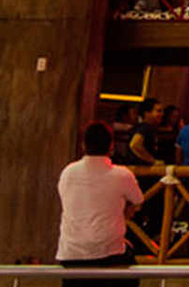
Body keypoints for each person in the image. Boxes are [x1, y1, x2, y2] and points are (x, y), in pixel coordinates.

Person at [56, 122, 143, 287]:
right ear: (111, 146)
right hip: (109, 254)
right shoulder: (122, 175)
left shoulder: (68, 172)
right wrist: (124, 211)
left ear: (83, 145)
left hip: (71, 254)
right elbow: (138, 201)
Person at [127, 99, 164, 165]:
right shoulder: (146, 128)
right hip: (141, 168)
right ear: (147, 113)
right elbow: (134, 144)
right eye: (158, 111)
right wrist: (153, 161)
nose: (162, 114)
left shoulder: (138, 127)